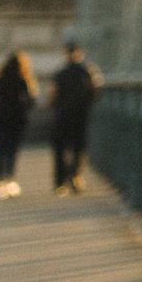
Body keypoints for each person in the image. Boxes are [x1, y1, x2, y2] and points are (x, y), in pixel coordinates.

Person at [49, 38, 99, 194]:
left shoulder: (61, 72)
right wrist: (88, 104)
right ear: (79, 54)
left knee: (60, 148)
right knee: (78, 147)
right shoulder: (87, 71)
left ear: (66, 55)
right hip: (80, 115)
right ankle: (75, 175)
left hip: (62, 115)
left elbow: (52, 93)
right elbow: (95, 89)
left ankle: (60, 182)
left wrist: (54, 107)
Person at [0, 52, 33, 197]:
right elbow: (30, 101)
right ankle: (10, 180)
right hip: (17, 121)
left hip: (0, 120)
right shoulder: (22, 80)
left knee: (0, 152)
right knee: (12, 152)